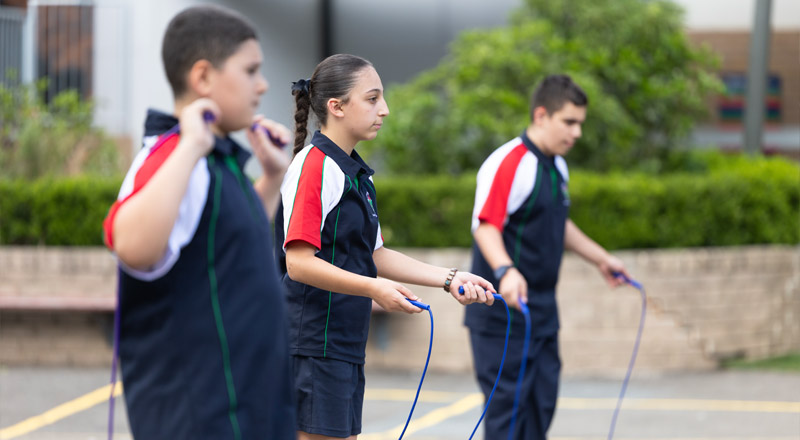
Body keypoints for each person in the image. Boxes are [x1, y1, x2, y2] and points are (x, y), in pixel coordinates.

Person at [275, 53, 495, 440]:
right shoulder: (315, 166)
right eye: (373, 99)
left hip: (341, 345)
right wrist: (373, 287)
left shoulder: (355, 173)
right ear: (336, 107)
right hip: (312, 346)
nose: (385, 110)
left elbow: (375, 255)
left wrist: (450, 278)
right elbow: (298, 264)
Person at [101, 5, 295, 439]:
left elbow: (228, 243)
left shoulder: (214, 161)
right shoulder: (174, 156)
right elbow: (130, 244)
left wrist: (273, 176)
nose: (262, 85)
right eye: (251, 71)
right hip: (204, 416)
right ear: (203, 77)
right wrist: (190, 146)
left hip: (249, 405)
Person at [465, 74, 632, 439]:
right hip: (501, 312)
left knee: (541, 406)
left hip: (542, 309)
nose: (577, 133)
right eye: (569, 122)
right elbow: (486, 226)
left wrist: (601, 258)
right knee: (508, 415)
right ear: (542, 115)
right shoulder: (509, 162)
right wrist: (505, 271)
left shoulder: (557, 165)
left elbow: (558, 223)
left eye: (580, 124)